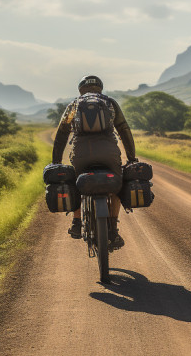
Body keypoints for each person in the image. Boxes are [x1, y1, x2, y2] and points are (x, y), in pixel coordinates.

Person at [52, 75, 137, 249]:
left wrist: (56, 160)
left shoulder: (74, 105)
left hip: (82, 154)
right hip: (109, 153)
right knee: (117, 185)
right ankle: (112, 228)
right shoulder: (110, 103)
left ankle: (77, 222)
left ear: (81, 89)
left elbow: (62, 133)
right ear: (100, 88)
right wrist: (131, 157)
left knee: (76, 182)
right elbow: (124, 129)